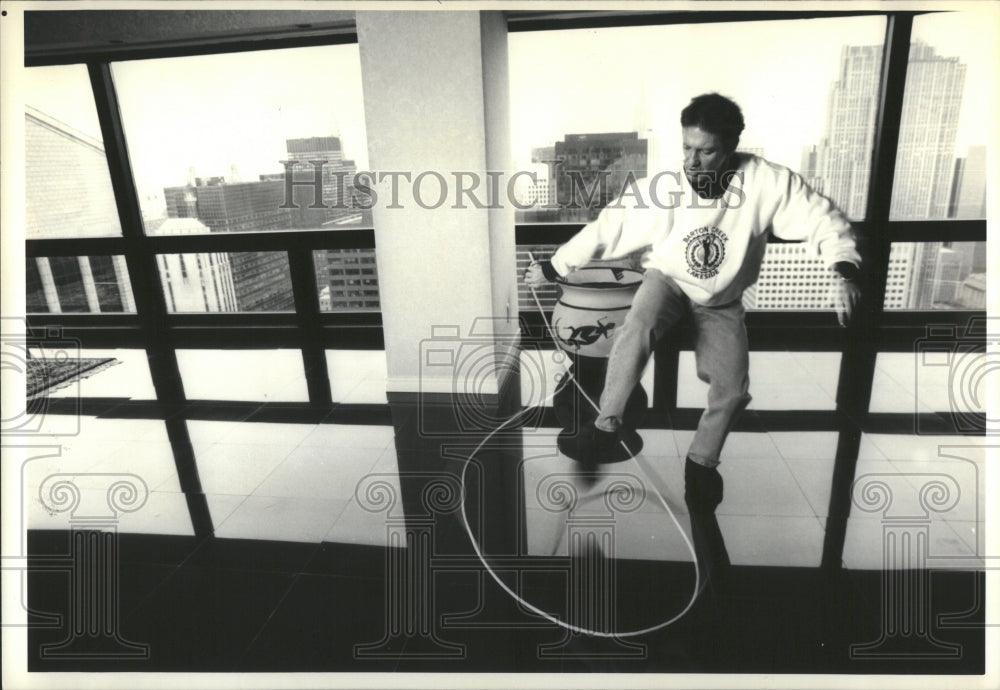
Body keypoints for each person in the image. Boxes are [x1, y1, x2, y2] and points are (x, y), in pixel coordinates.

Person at [525, 93, 861, 513]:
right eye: (687, 147)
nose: (692, 161)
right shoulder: (665, 188)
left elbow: (823, 219)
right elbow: (609, 226)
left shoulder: (767, 182)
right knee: (636, 329)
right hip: (666, 280)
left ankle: (702, 463)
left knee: (733, 387)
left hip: (721, 300)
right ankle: (605, 425)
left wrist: (844, 270)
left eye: (706, 151)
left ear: (732, 146)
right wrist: (554, 268)